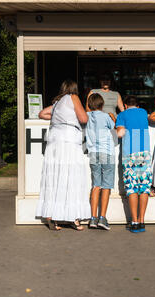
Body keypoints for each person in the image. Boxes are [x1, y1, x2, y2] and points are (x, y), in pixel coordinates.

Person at [36, 80, 91, 231]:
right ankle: (73, 217)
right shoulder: (73, 97)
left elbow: (42, 113)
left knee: (54, 177)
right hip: (68, 139)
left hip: (54, 140)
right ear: (74, 89)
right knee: (71, 177)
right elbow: (83, 119)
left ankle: (51, 218)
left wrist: (58, 119)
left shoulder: (58, 101)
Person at [116, 96, 152, 233]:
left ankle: (134, 221)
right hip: (145, 153)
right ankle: (142, 221)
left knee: (131, 188)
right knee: (144, 187)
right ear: (137, 105)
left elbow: (120, 134)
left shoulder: (122, 114)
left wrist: (114, 123)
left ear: (125, 105)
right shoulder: (143, 112)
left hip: (129, 154)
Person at [85, 93, 116, 231]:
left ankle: (93, 218)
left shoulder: (87, 116)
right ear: (102, 105)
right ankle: (102, 218)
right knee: (106, 186)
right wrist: (113, 117)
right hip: (107, 153)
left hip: (93, 153)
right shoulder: (105, 116)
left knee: (96, 185)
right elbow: (114, 127)